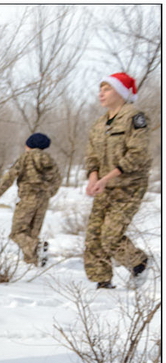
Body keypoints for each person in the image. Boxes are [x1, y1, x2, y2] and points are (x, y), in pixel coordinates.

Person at [84, 72, 151, 289]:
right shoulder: (99, 123)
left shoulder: (135, 118)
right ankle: (102, 283)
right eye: (100, 89)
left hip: (128, 186)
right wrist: (93, 179)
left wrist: (106, 178)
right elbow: (91, 156)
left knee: (110, 236)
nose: (101, 94)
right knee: (93, 236)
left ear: (121, 92)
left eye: (107, 89)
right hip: (104, 186)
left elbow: (137, 154)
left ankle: (139, 263)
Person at [0, 133, 61, 266]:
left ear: (29, 145)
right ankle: (32, 262)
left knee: (17, 232)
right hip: (43, 199)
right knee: (32, 233)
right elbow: (57, 180)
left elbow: (9, 177)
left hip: (28, 197)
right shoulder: (50, 160)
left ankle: (36, 247)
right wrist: (48, 193)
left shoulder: (25, 158)